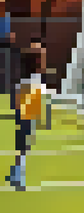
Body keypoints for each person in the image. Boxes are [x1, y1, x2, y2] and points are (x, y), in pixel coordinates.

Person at [7, 43, 46, 191]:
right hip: (28, 116)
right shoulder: (35, 80)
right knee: (23, 147)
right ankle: (18, 176)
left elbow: (17, 102)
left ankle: (17, 172)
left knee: (22, 147)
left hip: (25, 115)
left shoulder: (26, 80)